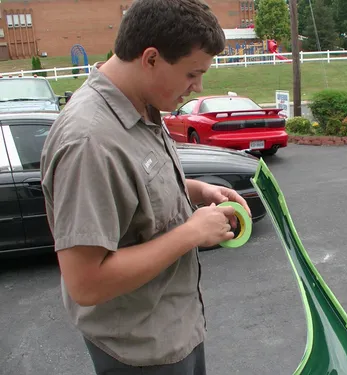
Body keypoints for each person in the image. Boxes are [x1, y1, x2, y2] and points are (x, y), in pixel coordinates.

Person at [40, 0, 251, 374]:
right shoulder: (89, 141)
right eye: (191, 74)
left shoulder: (142, 102)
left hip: (174, 329)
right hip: (139, 354)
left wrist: (195, 190)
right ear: (151, 58)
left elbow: (132, 186)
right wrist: (191, 233)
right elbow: (86, 283)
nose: (197, 87)